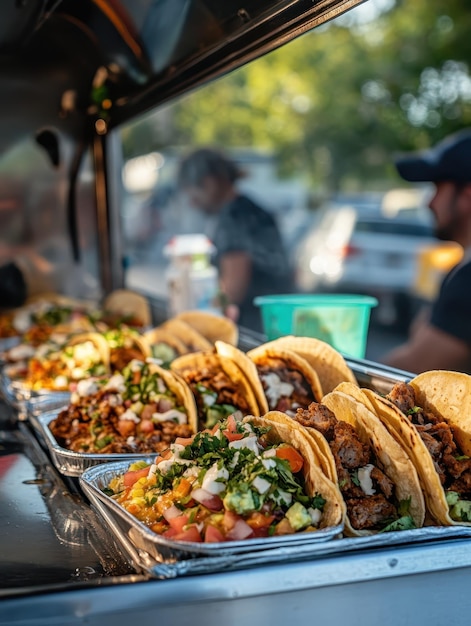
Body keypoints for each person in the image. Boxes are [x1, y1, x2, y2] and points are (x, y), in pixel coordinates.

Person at [382, 128, 471, 374]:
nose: (429, 202)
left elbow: (414, 369)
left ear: (467, 193)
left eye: (438, 188)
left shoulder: (468, 282)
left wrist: (335, 379)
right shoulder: (461, 268)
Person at [177, 148, 293, 331]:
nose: (192, 203)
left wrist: (198, 312)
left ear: (209, 183)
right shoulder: (249, 209)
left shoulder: (233, 216)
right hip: (275, 321)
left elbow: (233, 289)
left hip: (254, 328)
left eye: (192, 195)